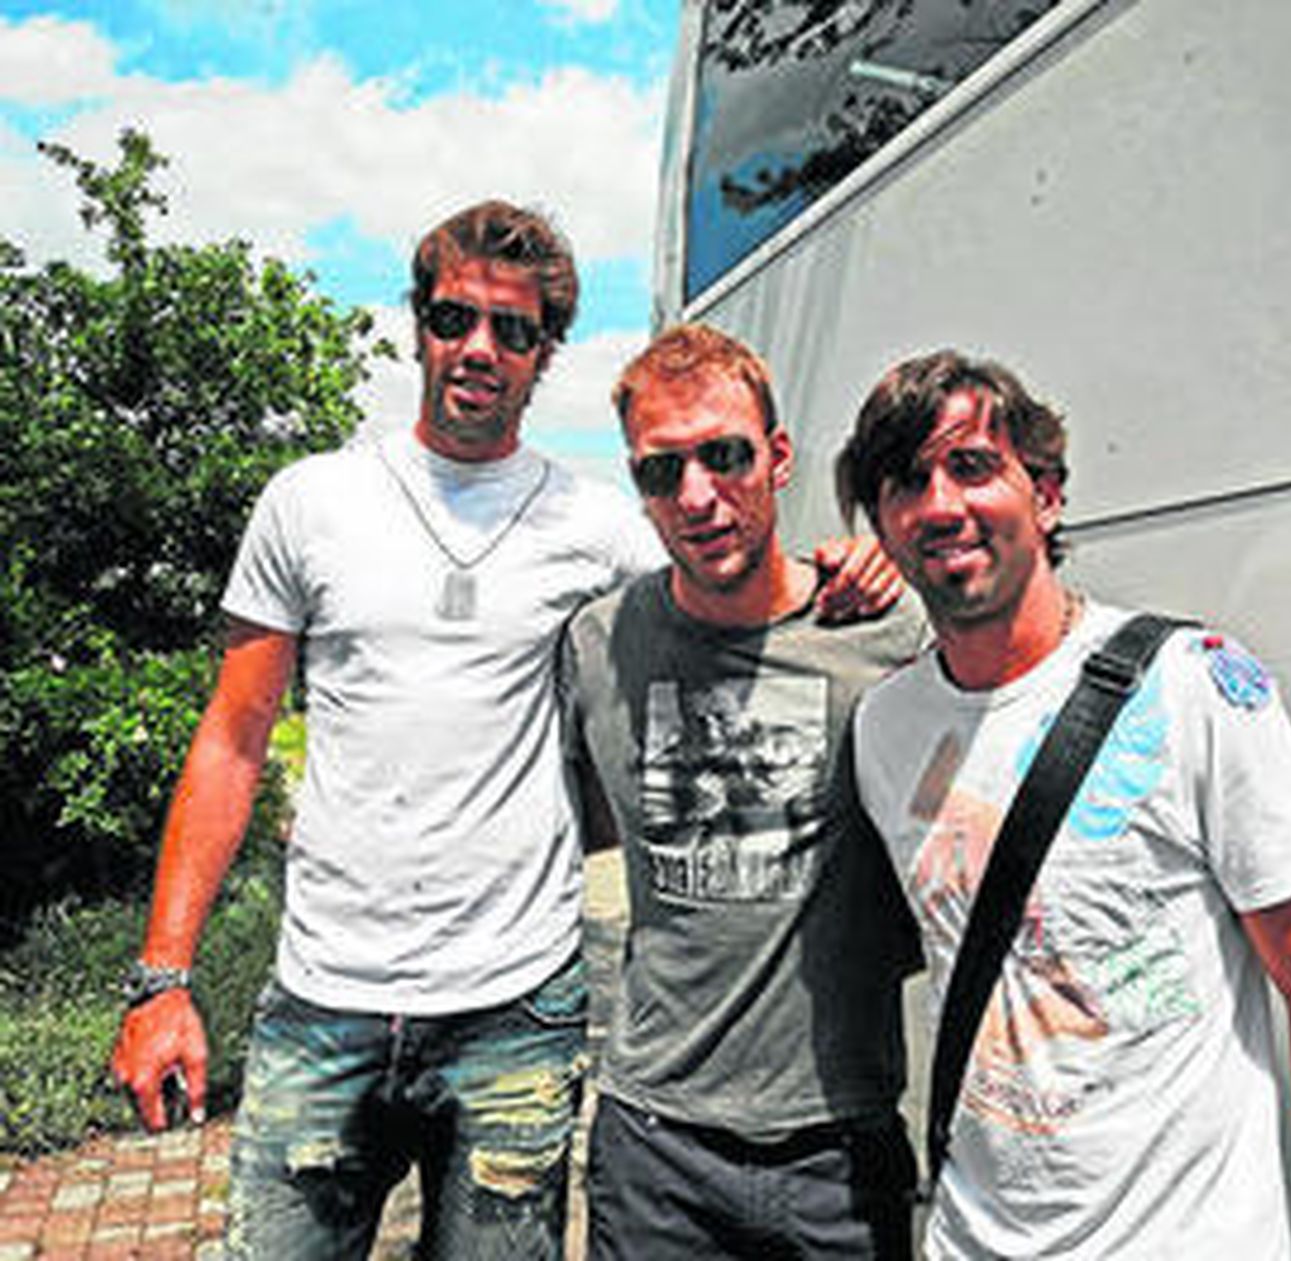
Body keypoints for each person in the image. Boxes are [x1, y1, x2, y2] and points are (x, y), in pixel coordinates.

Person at [109, 201, 893, 1259]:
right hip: (321, 999)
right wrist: (164, 979)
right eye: (452, 317)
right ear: (418, 325)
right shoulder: (311, 501)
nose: (478, 347)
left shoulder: (600, 527)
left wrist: (851, 567)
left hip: (516, 1014)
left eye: (513, 329)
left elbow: (725, 568)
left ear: (544, 353)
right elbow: (232, 739)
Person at [833, 350, 1291, 1260]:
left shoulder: (1193, 688)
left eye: (973, 467)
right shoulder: (884, 729)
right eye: (906, 481)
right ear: (882, 525)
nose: (941, 505)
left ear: (1046, 494)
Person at [561, 324, 926, 1259]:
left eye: (724, 456)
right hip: (656, 1150)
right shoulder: (599, 647)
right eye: (659, 470)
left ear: (777, 457)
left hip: (838, 1146)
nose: (697, 496)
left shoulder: (890, 638)